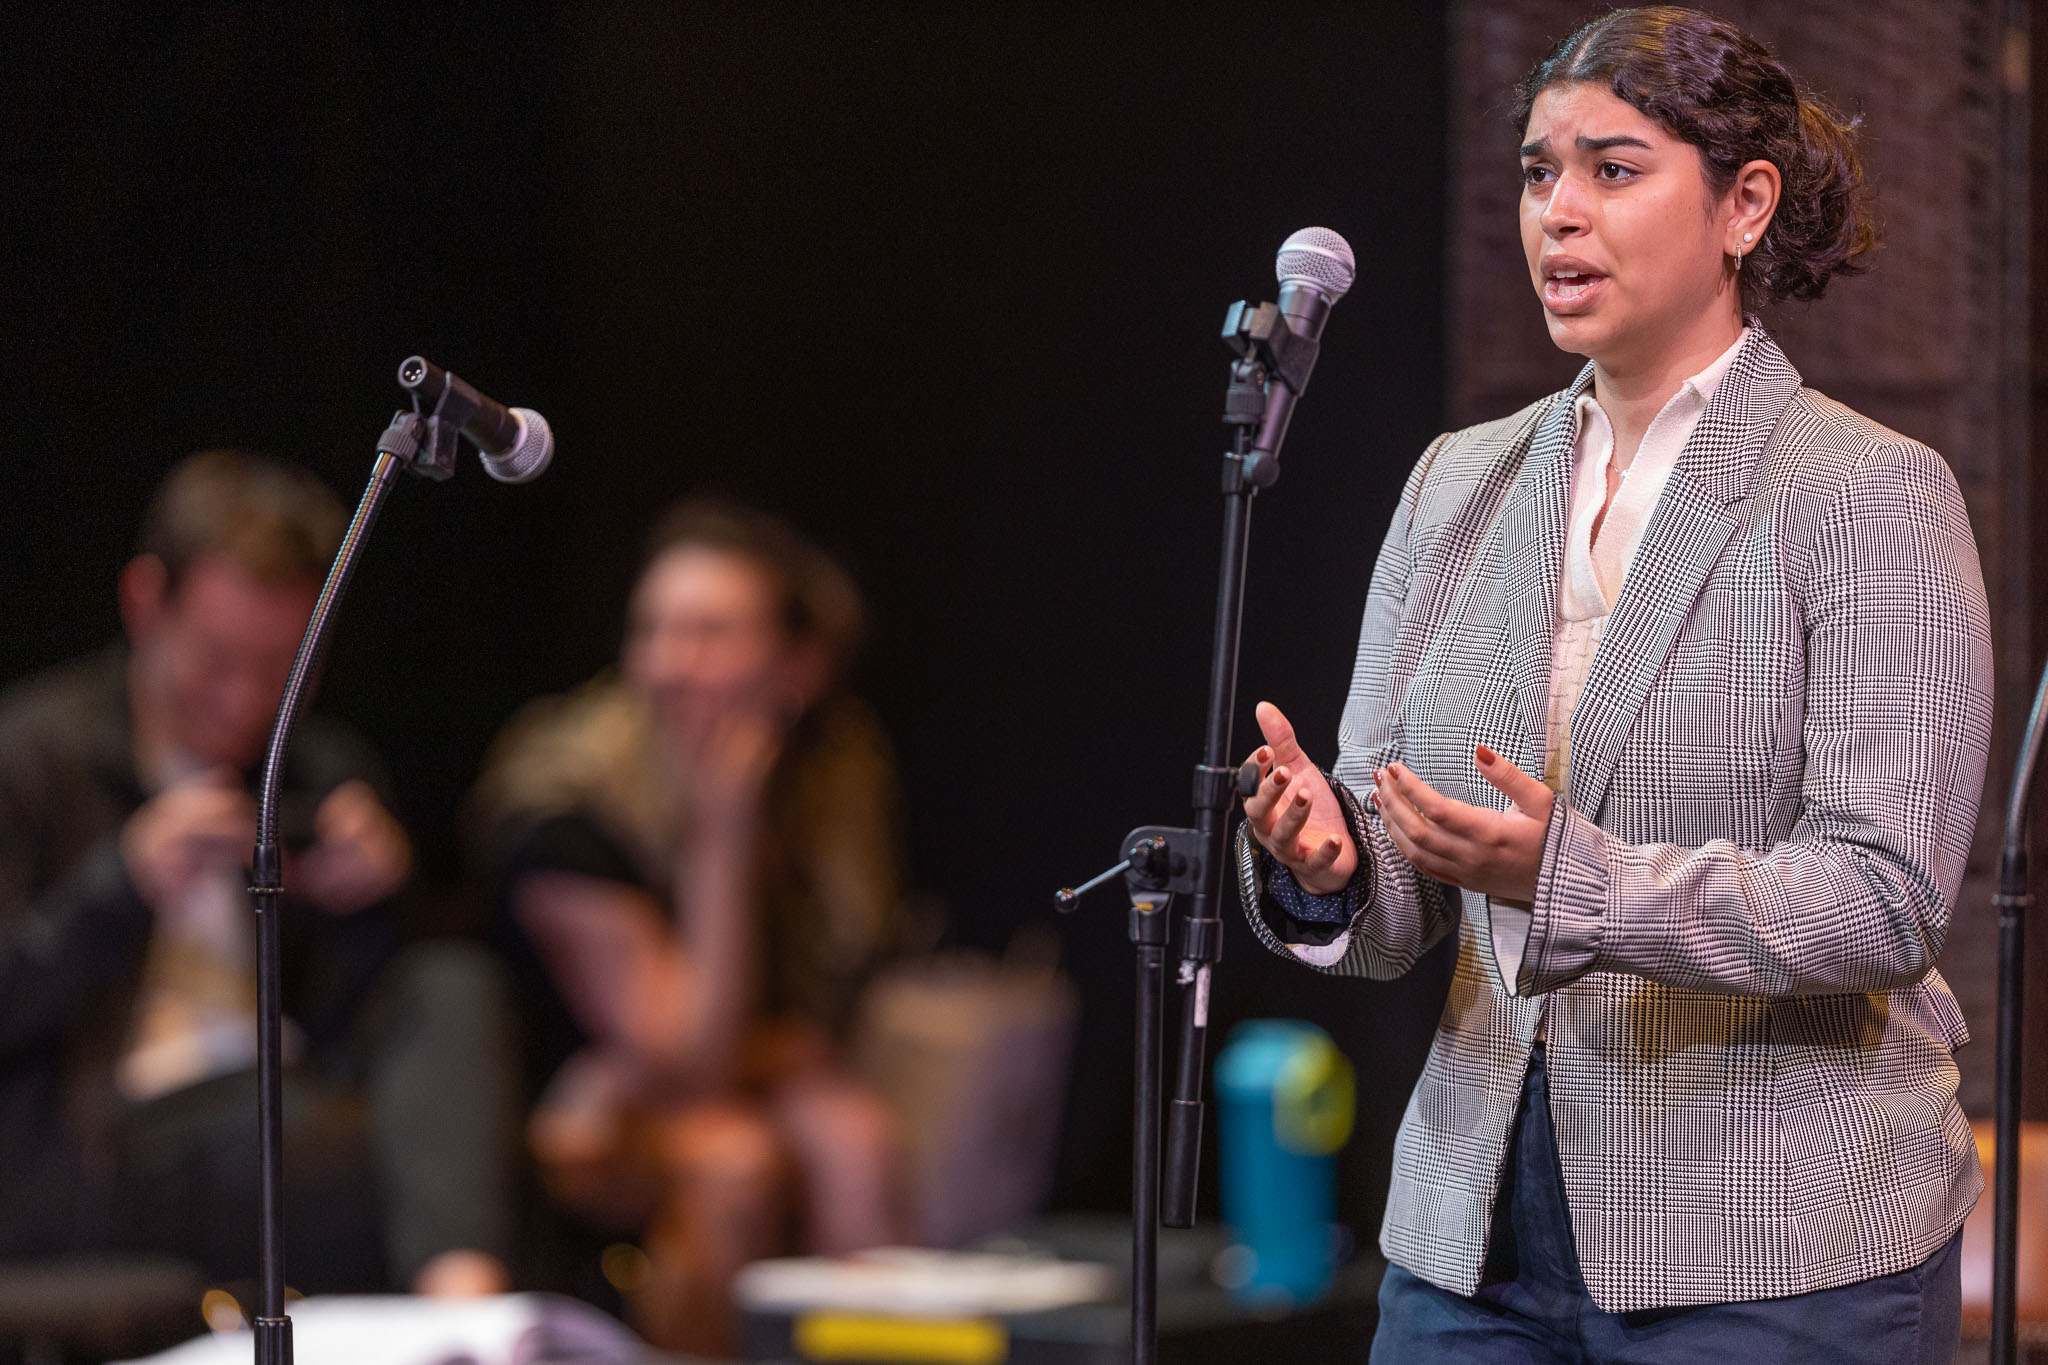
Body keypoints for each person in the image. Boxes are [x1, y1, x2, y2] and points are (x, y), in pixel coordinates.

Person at [1237, 9, 1990, 1362]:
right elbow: (1403, 881)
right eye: (1539, 173)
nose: (1559, 213)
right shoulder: (1456, 484)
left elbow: (1885, 895)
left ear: (1743, 205)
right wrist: (1331, 858)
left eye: (1612, 169)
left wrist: (1571, 880)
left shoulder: (1867, 490)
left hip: (1771, 1239)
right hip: (1473, 1229)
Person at [0, 450, 517, 1299]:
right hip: (113, 1140)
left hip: (289, 1098)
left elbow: (383, 1026)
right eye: (216, 659)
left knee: (453, 985)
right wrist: (119, 885)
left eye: (282, 667)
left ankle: (466, 1309)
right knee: (421, 1159)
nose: (245, 701)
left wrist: (373, 902)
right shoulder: (32, 759)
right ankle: (468, 1313)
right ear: (145, 603)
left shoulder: (320, 767)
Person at [468, 499, 904, 1355]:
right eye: (653, 629)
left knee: (856, 1136)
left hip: (701, 1078)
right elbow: (690, 1061)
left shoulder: (829, 774)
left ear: (797, 665)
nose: (669, 664)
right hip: (549, 1108)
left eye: (709, 633)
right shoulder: (561, 805)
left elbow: (831, 995)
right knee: (734, 1161)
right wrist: (721, 845)